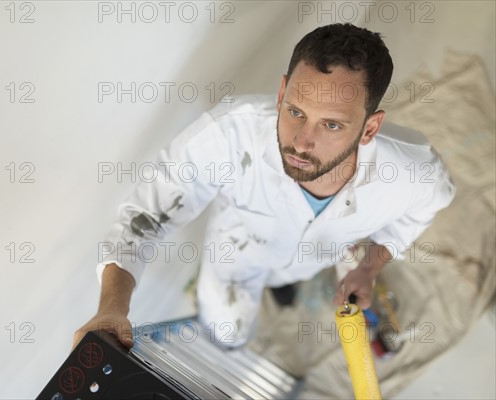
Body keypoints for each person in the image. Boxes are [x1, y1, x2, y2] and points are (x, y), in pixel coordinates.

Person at [72, 23, 455, 350]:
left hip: (315, 257)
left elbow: (416, 216)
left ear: (370, 127)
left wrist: (369, 270)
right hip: (237, 253)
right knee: (227, 334)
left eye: (332, 125)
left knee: (292, 276)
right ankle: (222, 290)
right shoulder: (227, 136)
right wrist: (111, 308)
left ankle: (283, 282)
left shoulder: (415, 174)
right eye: (295, 112)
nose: (302, 143)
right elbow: (144, 218)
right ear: (281, 93)